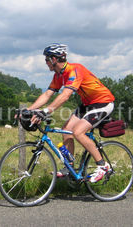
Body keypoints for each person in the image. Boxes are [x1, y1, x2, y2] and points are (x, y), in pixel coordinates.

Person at [28, 43, 115, 183]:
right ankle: (70, 167)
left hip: (103, 102)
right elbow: (47, 95)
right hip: (87, 104)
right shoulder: (58, 75)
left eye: (46, 59)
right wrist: (29, 110)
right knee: (66, 130)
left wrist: (46, 111)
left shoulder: (75, 70)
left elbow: (65, 96)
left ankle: (103, 166)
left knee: (78, 132)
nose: (45, 62)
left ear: (54, 59)